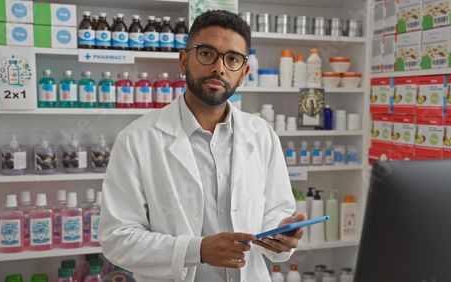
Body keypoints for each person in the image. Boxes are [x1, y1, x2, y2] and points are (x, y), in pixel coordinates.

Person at [99, 10, 306, 282]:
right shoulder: (137, 139)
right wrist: (195, 250)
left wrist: (279, 232)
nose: (219, 68)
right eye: (207, 53)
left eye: (232, 59)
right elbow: (118, 238)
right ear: (184, 61)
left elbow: (275, 210)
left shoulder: (262, 135)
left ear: (243, 74)